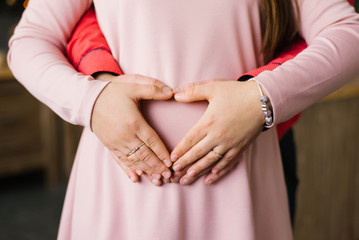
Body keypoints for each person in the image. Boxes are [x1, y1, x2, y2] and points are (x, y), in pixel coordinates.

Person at [8, 0, 359, 239]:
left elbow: (348, 33)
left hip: (239, 181)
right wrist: (91, 101)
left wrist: (261, 98)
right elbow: (31, 38)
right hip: (120, 179)